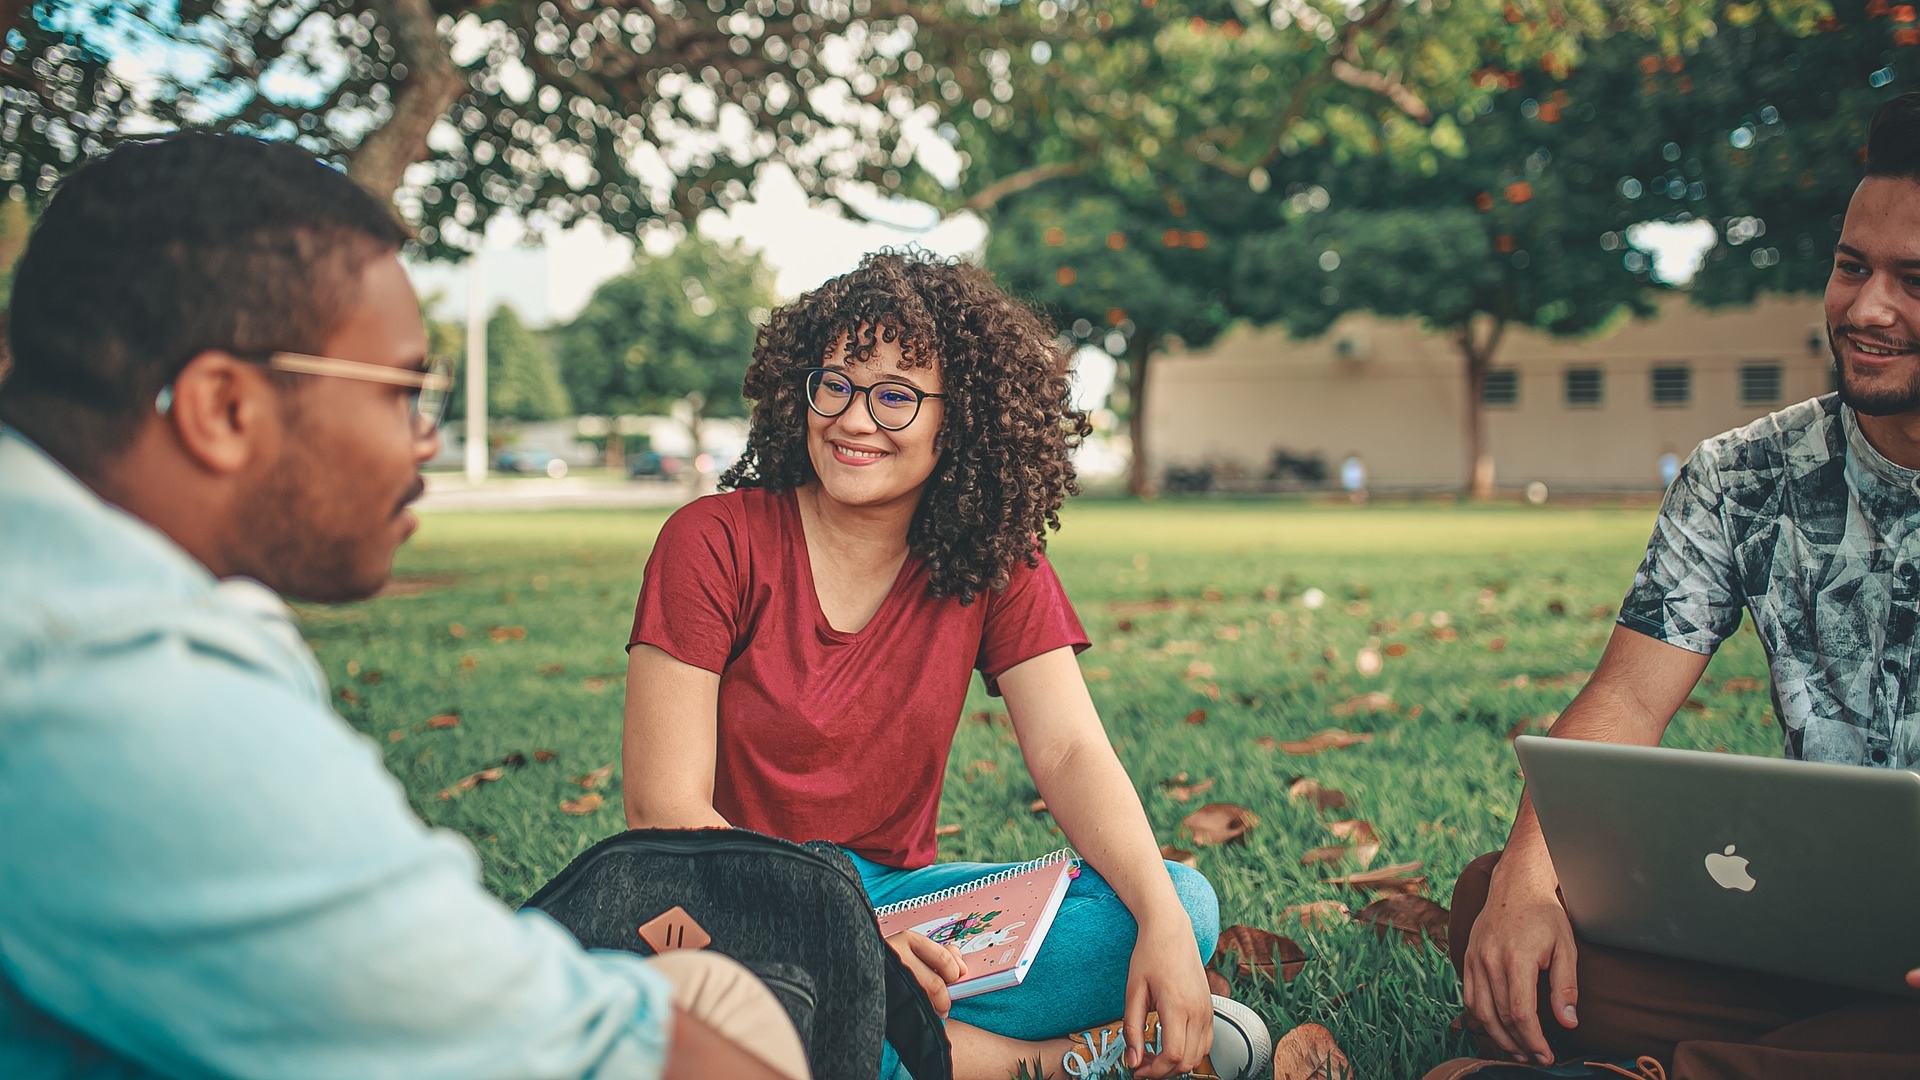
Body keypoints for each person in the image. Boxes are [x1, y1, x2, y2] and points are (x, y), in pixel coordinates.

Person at [0, 133, 805, 1080]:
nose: (424, 440)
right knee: (734, 1016)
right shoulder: (118, 690)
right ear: (224, 408)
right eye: (402, 392)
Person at [621, 251, 1267, 1080]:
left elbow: (1069, 751)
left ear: (956, 420)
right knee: (741, 1012)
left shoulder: (994, 559)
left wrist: (1163, 928)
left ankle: (876, 1042)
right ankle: (1048, 1062)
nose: (856, 420)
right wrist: (847, 946)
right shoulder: (711, 542)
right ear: (800, 391)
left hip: (899, 905)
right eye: (837, 384)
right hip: (731, 906)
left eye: (896, 395)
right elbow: (662, 810)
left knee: (1178, 901)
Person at [1427, 92, 1920, 1080]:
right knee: (1501, 908)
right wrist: (1531, 877)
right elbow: (1625, 697)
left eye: (1915, 280)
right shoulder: (1744, 475)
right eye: (1851, 267)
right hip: (1826, 934)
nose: (1866, 309)